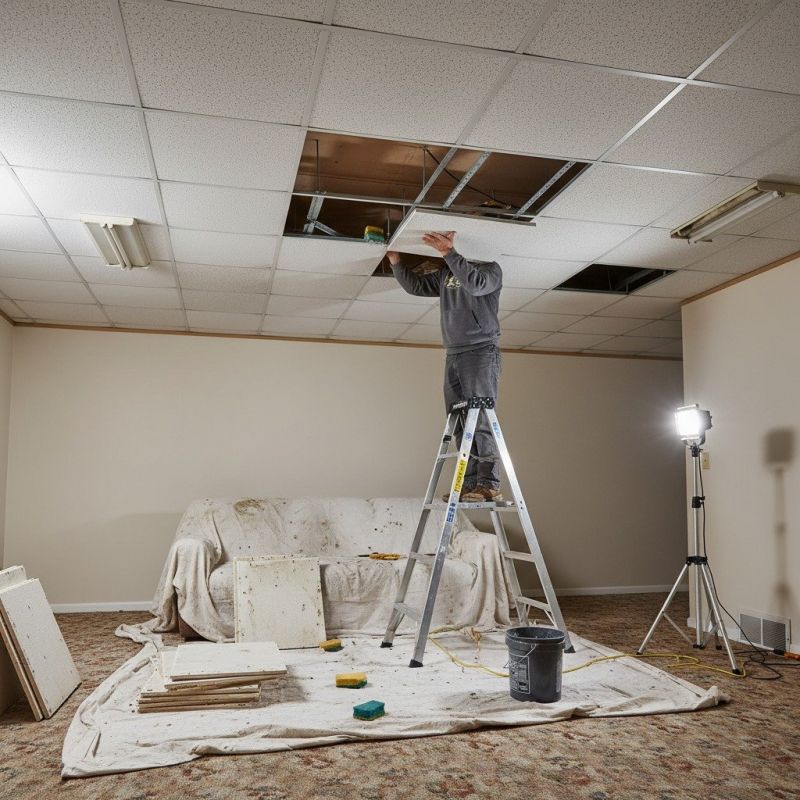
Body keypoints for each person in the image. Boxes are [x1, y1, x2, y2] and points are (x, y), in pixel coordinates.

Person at [387, 231, 503, 502]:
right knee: (460, 421)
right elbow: (416, 287)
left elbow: (475, 285)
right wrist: (395, 261)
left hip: (480, 351)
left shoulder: (491, 270)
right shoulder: (445, 275)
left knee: (482, 419)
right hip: (453, 354)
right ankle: (470, 483)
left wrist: (449, 253)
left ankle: (488, 483)